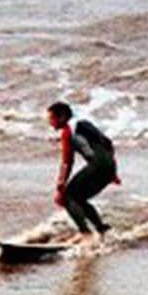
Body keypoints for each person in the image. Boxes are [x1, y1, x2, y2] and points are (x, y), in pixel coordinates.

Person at [47, 101, 118, 242]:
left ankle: (86, 234)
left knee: (67, 197)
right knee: (79, 198)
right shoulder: (84, 123)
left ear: (62, 117)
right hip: (109, 165)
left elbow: (67, 161)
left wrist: (60, 184)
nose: (50, 122)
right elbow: (108, 143)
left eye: (52, 118)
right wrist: (112, 170)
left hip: (99, 165)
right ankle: (102, 229)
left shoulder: (68, 131)